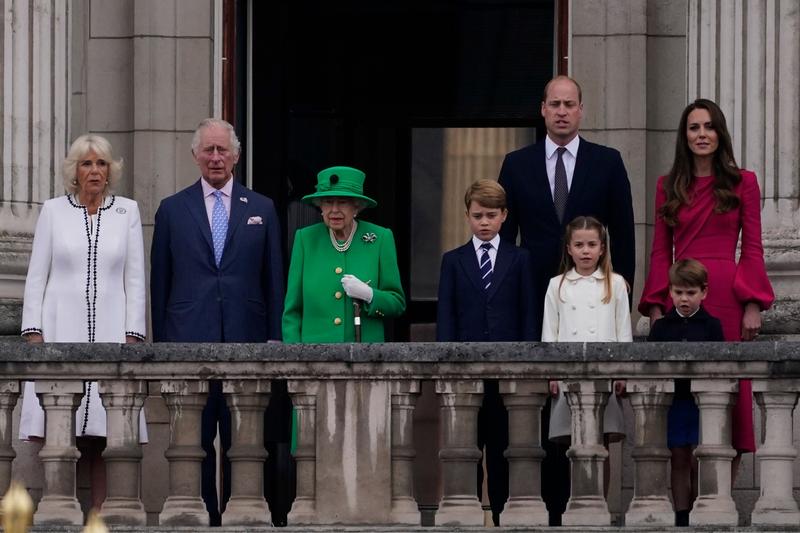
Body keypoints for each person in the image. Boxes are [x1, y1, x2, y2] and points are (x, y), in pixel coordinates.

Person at [498, 75, 635, 524]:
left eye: (569, 104)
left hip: (596, 302)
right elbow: (506, 243)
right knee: (543, 419)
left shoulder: (607, 162)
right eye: (554, 104)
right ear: (542, 109)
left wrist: (618, 294)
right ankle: (551, 512)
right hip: (538, 304)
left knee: (593, 427)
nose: (561, 111)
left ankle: (591, 512)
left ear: (581, 110)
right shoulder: (516, 164)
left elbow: (626, 237)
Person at [150, 118, 285, 526]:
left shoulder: (262, 208)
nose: (214, 157)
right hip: (189, 342)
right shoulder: (172, 209)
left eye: (222, 150)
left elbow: (273, 277)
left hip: (247, 340)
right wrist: (160, 349)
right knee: (195, 444)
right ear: (195, 156)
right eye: (207, 150)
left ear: (236, 156)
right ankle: (204, 517)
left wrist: (275, 337)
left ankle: (241, 517)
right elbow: (161, 282)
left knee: (244, 442)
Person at [638, 98, 775, 480]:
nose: (702, 134)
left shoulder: (742, 182)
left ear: (720, 133)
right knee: (684, 405)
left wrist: (752, 303)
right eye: (695, 127)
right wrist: (655, 305)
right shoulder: (668, 185)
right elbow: (660, 250)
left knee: (729, 403)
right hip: (680, 297)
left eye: (709, 126)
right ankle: (687, 507)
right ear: (685, 136)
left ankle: (721, 505)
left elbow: (753, 246)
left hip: (728, 300)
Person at [19, 133, 148, 510]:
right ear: (74, 171)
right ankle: (61, 514)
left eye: (101, 163)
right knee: (63, 430)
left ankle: (101, 519)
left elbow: (136, 277)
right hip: (61, 329)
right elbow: (36, 276)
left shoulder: (127, 211)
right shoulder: (53, 211)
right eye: (87, 163)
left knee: (106, 433)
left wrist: (133, 334)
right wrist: (33, 331)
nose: (95, 170)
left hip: (111, 330)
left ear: (111, 171)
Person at [436, 178, 536, 525]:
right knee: (465, 450)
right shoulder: (453, 260)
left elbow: (528, 317)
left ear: (504, 216)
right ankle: (466, 518)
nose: (484, 222)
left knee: (502, 450)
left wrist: (526, 369)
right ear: (467, 215)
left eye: (491, 215)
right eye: (477, 215)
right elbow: (446, 318)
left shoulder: (520, 259)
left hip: (507, 375)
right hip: (464, 374)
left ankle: (503, 517)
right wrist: (446, 370)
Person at [541, 216, 631, 500]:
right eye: (579, 245)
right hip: (569, 377)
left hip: (603, 374)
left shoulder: (615, 284)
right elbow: (550, 333)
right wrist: (551, 373)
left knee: (600, 445)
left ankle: (600, 505)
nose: (585, 251)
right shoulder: (557, 285)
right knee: (573, 446)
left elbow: (623, 331)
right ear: (568, 248)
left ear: (602, 248)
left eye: (592, 244)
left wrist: (622, 372)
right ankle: (577, 504)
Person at [282, 165, 405, 343]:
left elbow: (397, 303)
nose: (334, 210)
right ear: (320, 207)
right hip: (314, 358)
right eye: (328, 202)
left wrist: (370, 295)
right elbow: (292, 311)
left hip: (365, 357)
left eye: (342, 202)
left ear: (357, 207)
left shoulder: (380, 239)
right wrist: (294, 359)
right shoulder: (305, 239)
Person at [648, 259, 724, 527]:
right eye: (679, 292)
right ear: (670, 291)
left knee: (698, 459)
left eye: (691, 293)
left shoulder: (712, 326)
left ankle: (698, 511)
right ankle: (681, 515)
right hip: (674, 402)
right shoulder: (661, 328)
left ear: (704, 292)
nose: (684, 299)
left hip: (702, 403)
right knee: (678, 457)